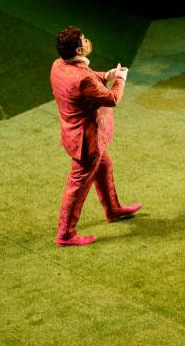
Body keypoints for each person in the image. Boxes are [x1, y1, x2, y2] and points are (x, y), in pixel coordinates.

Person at [50, 27, 142, 246]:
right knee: (77, 186)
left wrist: (106, 75)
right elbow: (112, 99)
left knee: (105, 166)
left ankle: (112, 209)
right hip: (87, 141)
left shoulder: (58, 65)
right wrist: (119, 78)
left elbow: (85, 78)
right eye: (84, 40)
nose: (88, 41)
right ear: (80, 48)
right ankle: (65, 234)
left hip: (77, 135)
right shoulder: (82, 79)